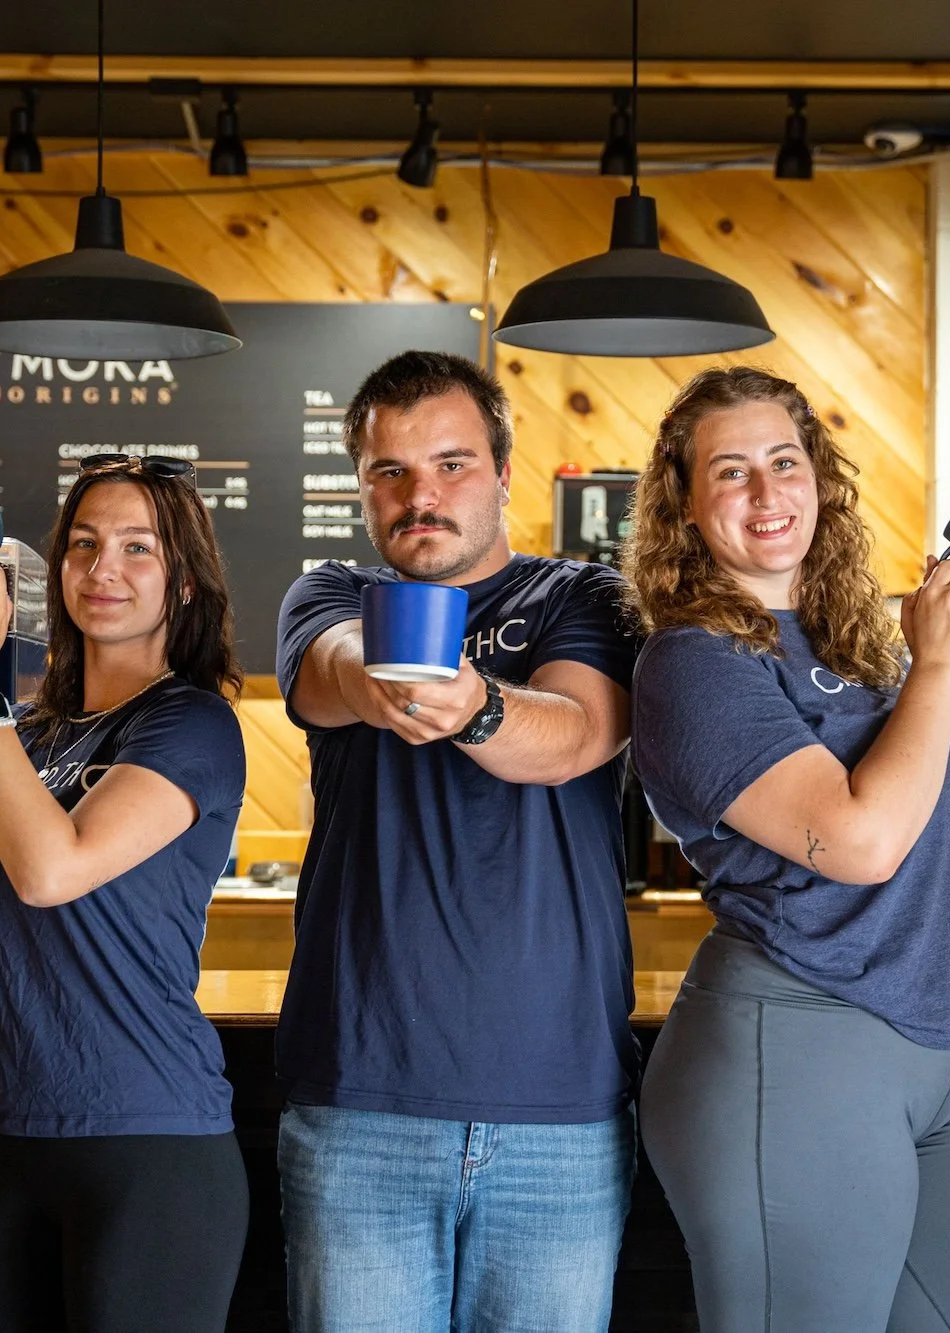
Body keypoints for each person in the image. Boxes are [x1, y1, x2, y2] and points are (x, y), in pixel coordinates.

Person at [621, 367, 950, 1333]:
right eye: (730, 473)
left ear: (820, 477)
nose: (768, 493)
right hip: (798, 1049)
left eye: (786, 461)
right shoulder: (692, 663)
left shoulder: (855, 646)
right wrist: (934, 667)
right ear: (687, 510)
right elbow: (859, 842)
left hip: (926, 1058)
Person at [274, 351, 639, 1332]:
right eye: (388, 472)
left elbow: (572, 737)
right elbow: (331, 672)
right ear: (361, 489)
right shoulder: (329, 595)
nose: (418, 494)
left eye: (449, 464)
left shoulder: (582, 598)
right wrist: (381, 678)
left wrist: (474, 709)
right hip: (359, 1108)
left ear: (503, 474)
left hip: (558, 1115)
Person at [0, 454, 250, 1333]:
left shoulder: (189, 723)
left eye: (138, 548)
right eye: (84, 543)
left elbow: (50, 869)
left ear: (184, 584)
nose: (103, 568)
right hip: (11, 1137)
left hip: (148, 1146)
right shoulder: (27, 733)